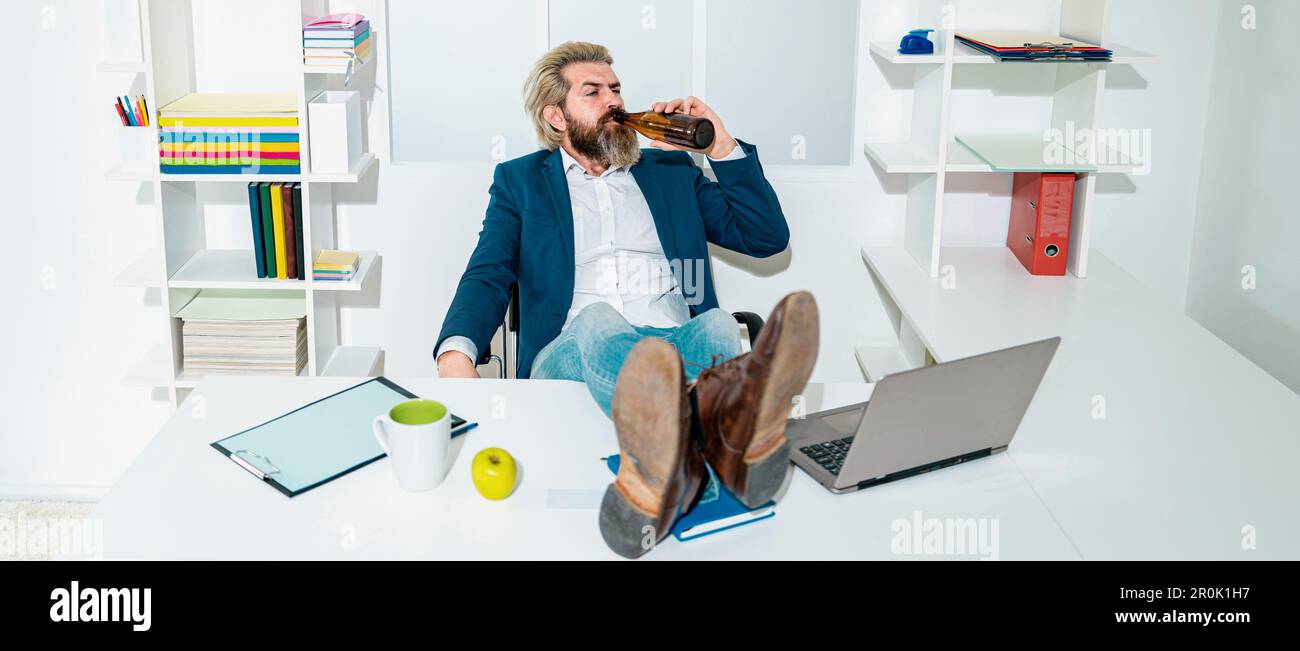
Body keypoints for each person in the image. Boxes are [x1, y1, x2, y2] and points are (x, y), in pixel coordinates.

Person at [435, 41, 819, 558]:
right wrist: (457, 354)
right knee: (599, 320)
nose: (613, 101)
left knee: (721, 328)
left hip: (674, 343)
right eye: (592, 92)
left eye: (616, 89)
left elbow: (766, 237)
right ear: (556, 117)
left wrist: (719, 144)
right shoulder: (520, 182)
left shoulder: (670, 172)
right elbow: (488, 273)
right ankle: (731, 428)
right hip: (573, 352)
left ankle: (672, 452)